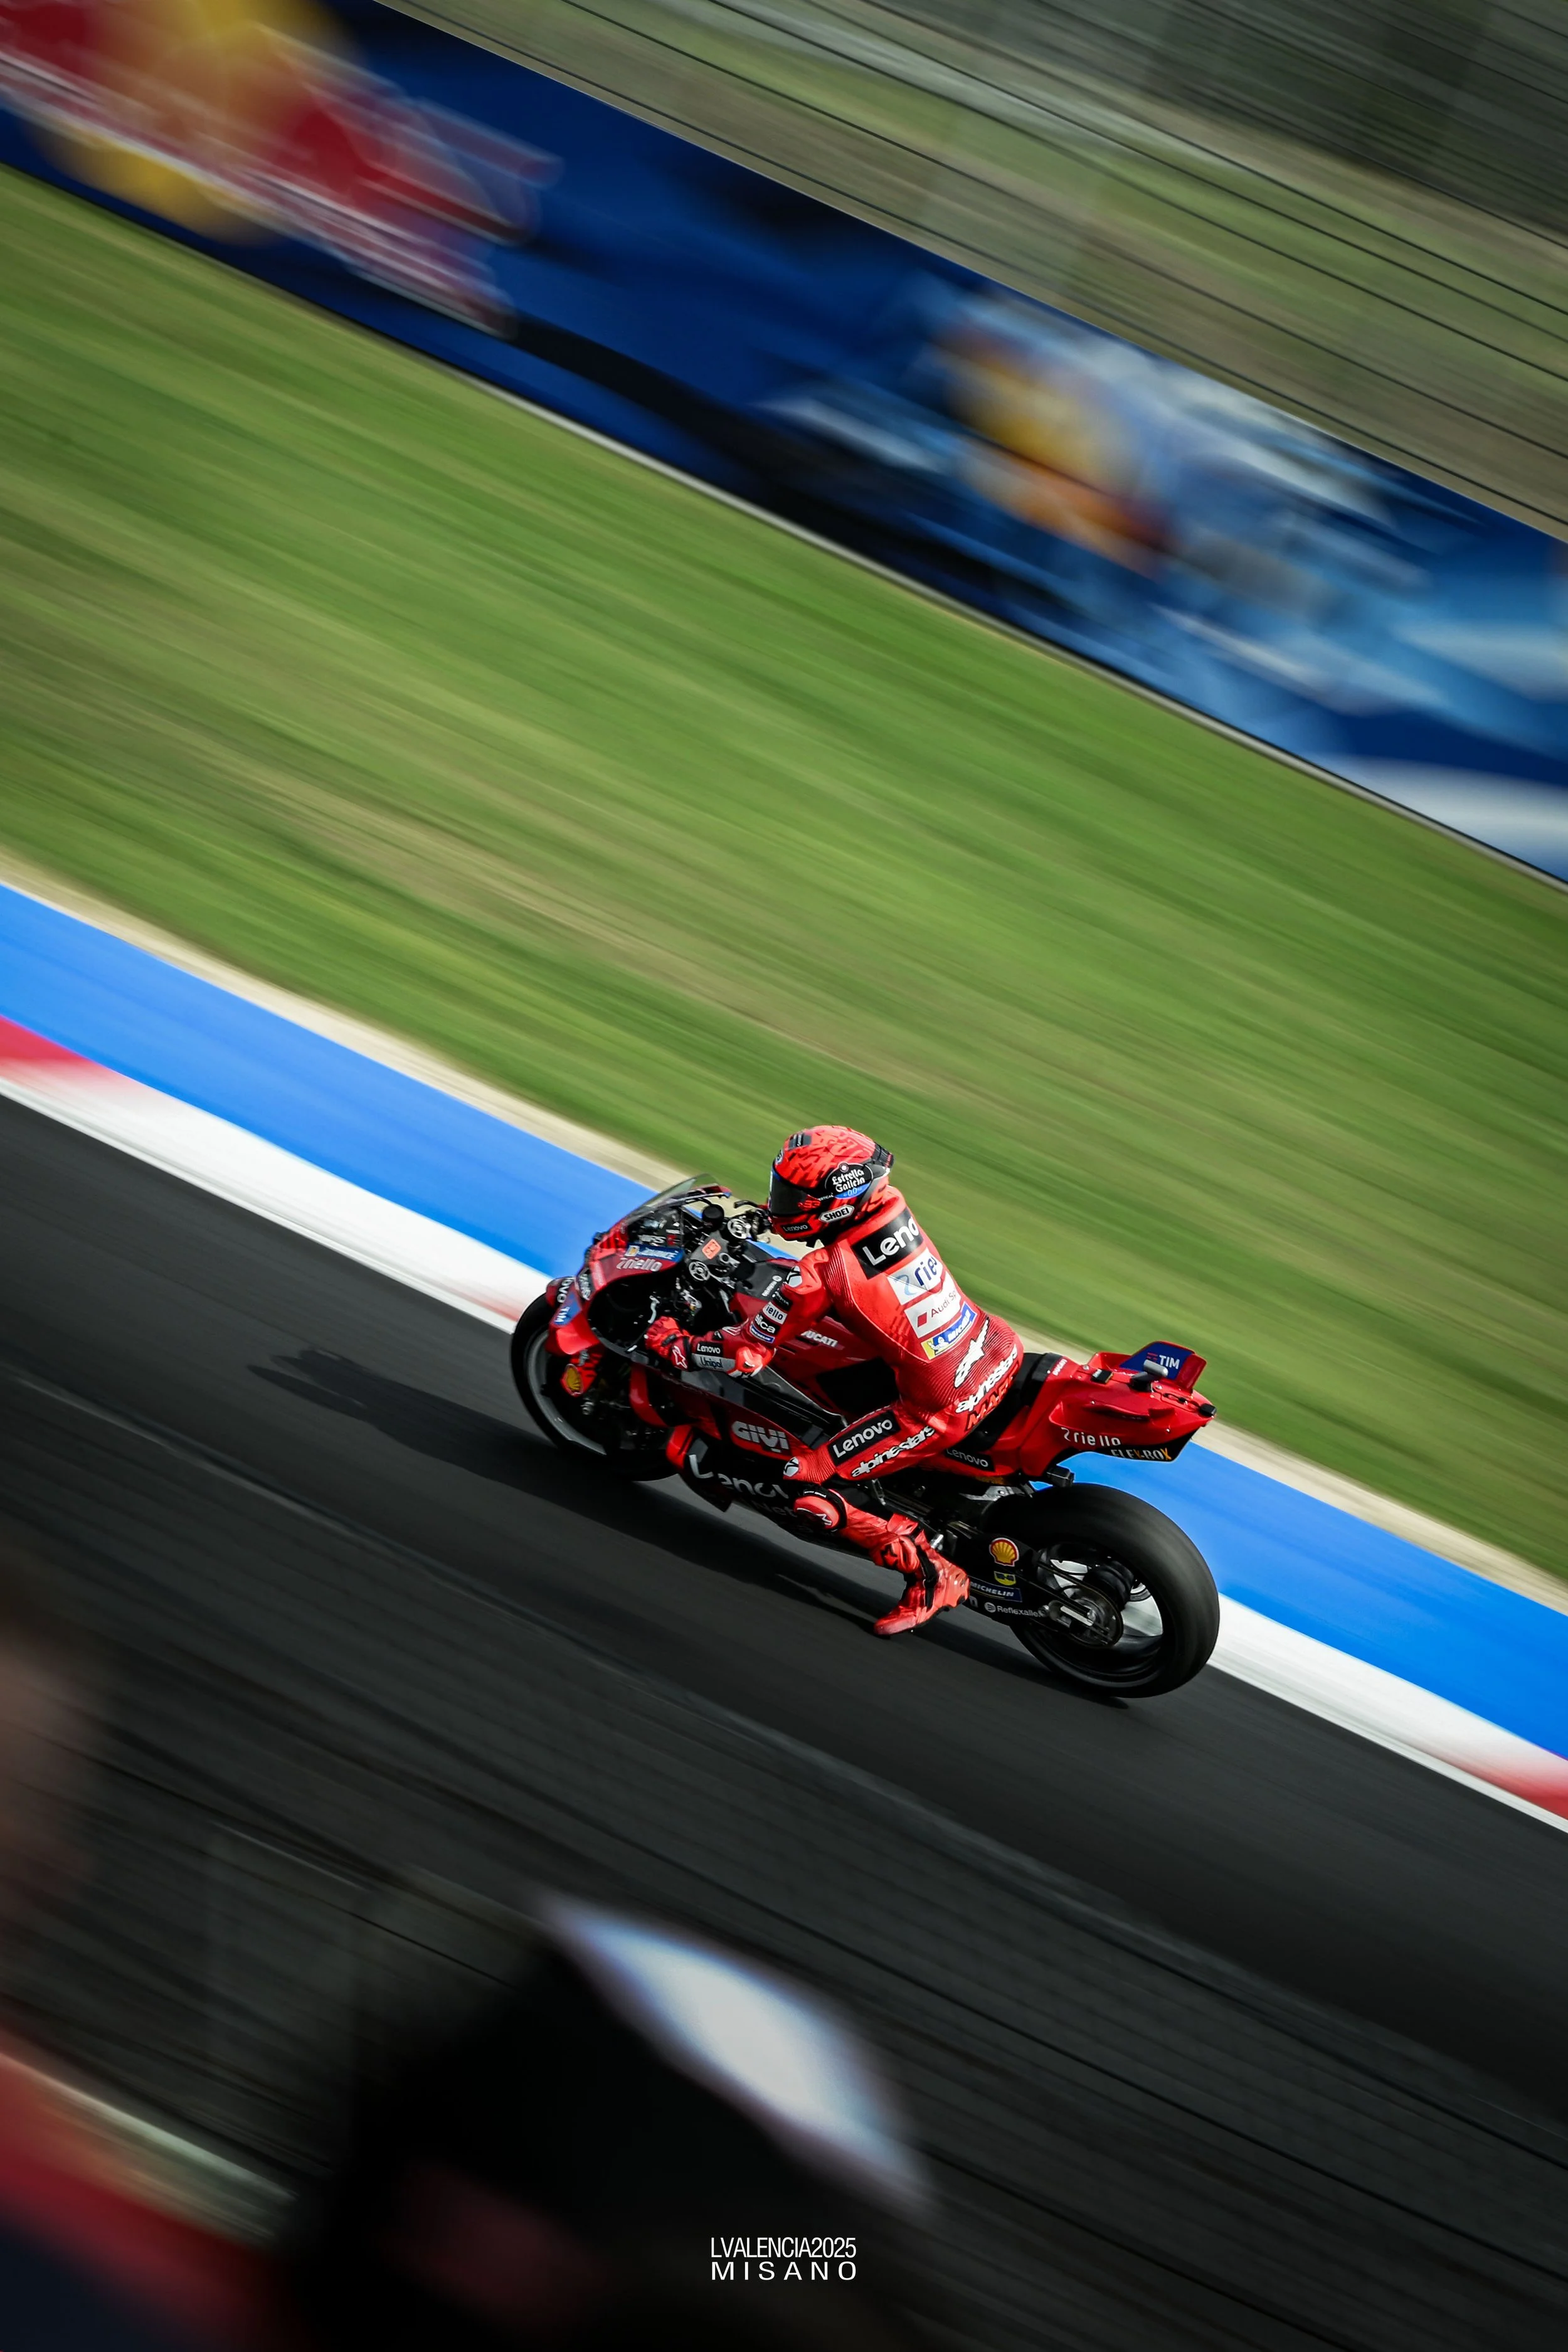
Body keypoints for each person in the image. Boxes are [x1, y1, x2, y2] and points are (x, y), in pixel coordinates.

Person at [646, 1128, 1022, 1637]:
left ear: (839, 1201)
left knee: (806, 1488)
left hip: (937, 1408)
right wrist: (771, 1216)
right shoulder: (890, 1205)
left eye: (796, 1197)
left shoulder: (822, 1274)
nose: (784, 1202)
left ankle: (932, 1572)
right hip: (992, 1349)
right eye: (782, 1191)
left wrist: (677, 1344)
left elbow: (747, 1352)